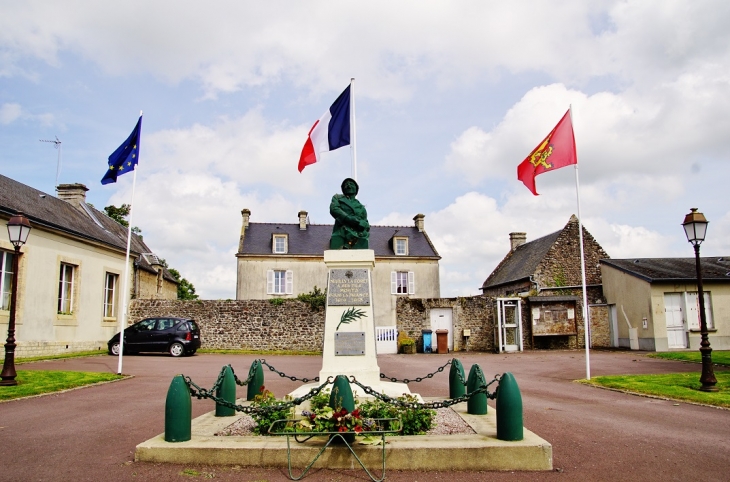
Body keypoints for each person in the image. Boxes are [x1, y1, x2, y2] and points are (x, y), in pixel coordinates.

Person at [329, 178, 369, 249]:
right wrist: (348, 218)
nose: (348, 186)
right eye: (346, 184)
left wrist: (362, 224)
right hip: (341, 231)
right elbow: (334, 209)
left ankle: (352, 241)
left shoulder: (361, 207)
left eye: (351, 184)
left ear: (356, 189)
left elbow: (366, 223)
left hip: (357, 233)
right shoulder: (337, 198)